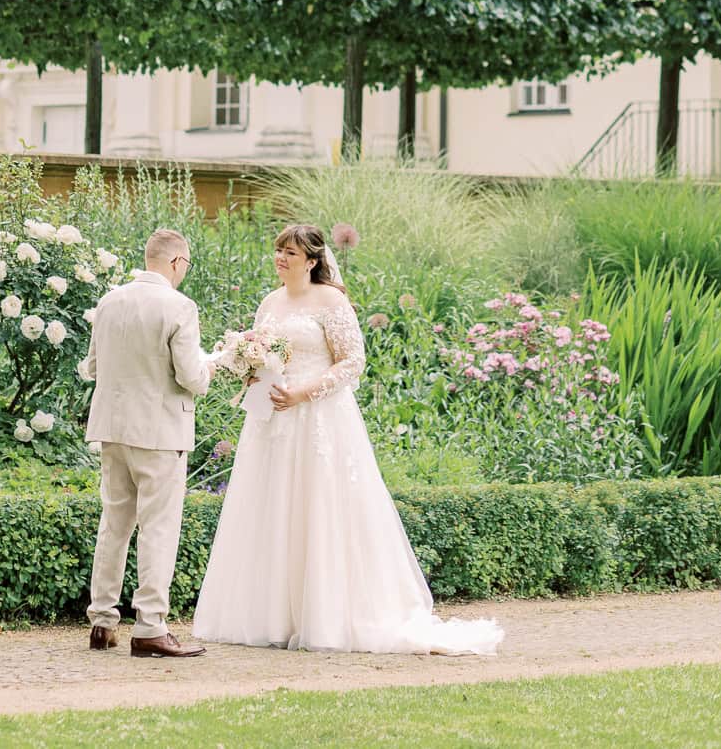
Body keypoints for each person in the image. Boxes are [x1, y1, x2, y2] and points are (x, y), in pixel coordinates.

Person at [193, 223, 503, 656]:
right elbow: (263, 353)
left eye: (291, 253)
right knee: (273, 507)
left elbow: (353, 361)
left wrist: (304, 392)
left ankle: (324, 616)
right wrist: (248, 368)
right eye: (279, 250)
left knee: (318, 507)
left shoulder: (331, 301)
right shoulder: (270, 301)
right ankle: (273, 616)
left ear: (314, 261)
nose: (281, 258)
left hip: (317, 417)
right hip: (272, 420)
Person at [82, 227, 211, 658]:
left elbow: (93, 367)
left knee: (114, 523)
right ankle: (151, 625)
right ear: (177, 262)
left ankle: (101, 621)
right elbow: (192, 377)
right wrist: (219, 366)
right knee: (158, 527)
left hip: (112, 428)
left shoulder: (109, 301)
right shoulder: (179, 306)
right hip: (158, 432)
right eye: (186, 266)